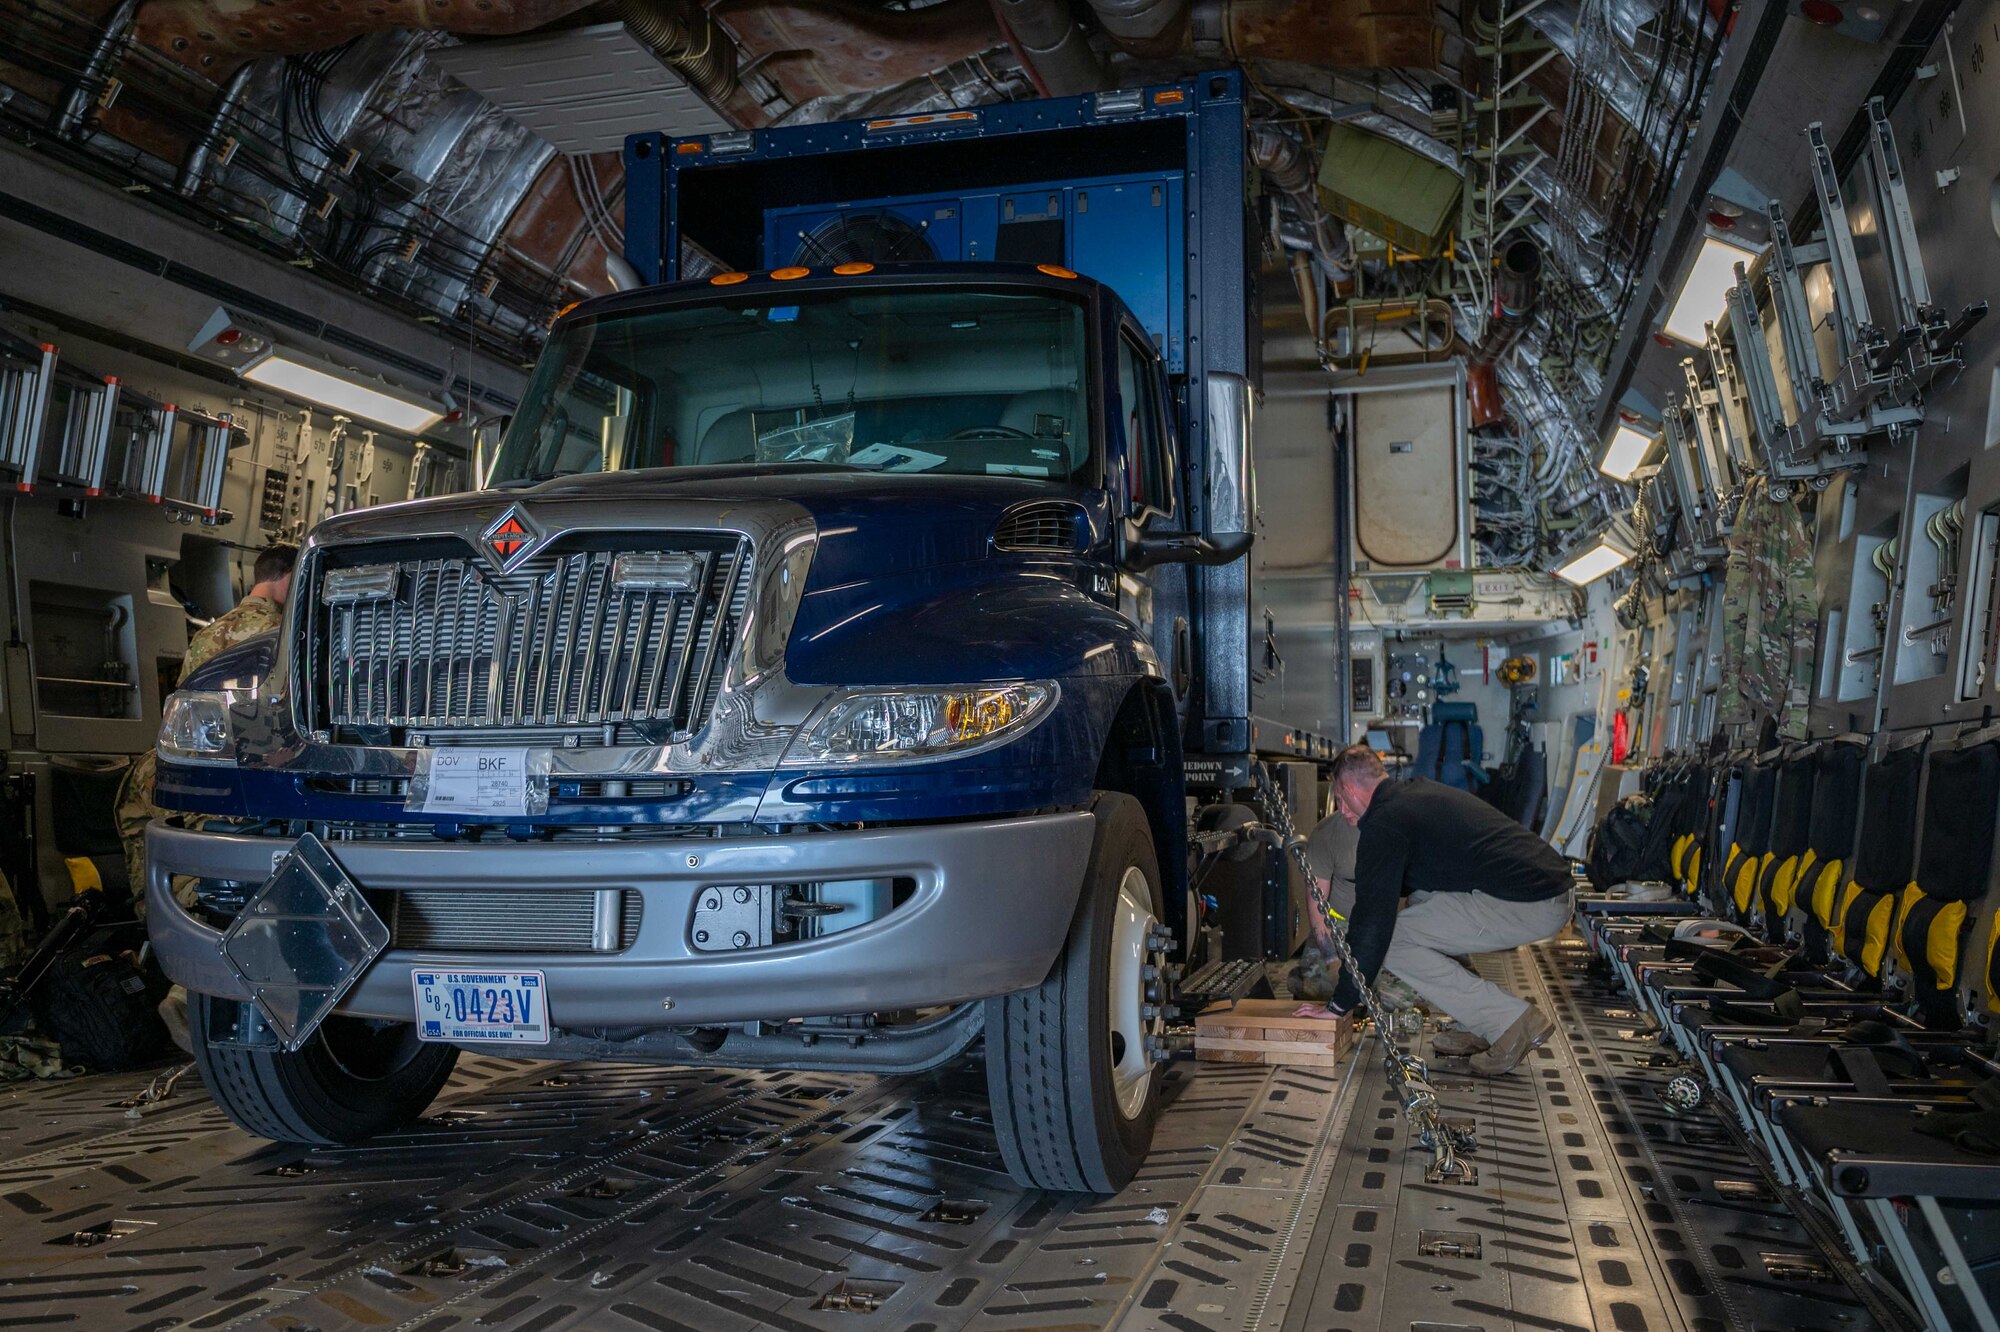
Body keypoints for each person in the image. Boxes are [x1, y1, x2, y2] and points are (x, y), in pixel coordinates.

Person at [1296, 743, 1572, 1076]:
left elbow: (1373, 923)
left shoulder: (1385, 823)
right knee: (1421, 904)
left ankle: (1511, 1022)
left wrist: (1338, 1005)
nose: (1341, 810)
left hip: (1534, 903)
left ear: (1351, 789)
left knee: (1393, 941)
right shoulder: (1413, 797)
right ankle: (1486, 1021)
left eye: (1340, 798)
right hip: (1544, 892)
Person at [114, 543, 296, 910]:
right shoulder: (284, 637)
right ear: (289, 579)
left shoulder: (207, 634)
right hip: (248, 779)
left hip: (186, 771)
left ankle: (152, 916)